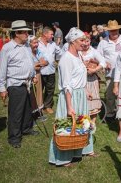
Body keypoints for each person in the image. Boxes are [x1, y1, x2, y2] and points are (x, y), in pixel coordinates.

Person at [49, 27, 96, 167]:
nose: (85, 43)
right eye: (81, 40)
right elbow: (67, 85)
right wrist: (69, 106)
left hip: (80, 94)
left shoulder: (79, 55)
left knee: (82, 124)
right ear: (72, 42)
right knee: (68, 126)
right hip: (71, 97)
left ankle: (81, 150)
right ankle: (64, 157)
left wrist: (85, 90)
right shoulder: (66, 59)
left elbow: (81, 75)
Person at [0, 20, 39, 148]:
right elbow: (1, 70)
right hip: (15, 84)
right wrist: (2, 88)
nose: (27, 34)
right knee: (16, 112)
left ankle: (26, 128)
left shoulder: (26, 46)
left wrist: (33, 76)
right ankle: (14, 137)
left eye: (27, 32)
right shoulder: (7, 48)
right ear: (17, 33)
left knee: (27, 108)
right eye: (25, 32)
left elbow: (30, 61)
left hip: (27, 83)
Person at [97, 20, 121, 118]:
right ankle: (110, 113)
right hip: (111, 73)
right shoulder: (103, 42)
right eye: (112, 31)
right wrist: (105, 62)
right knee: (110, 95)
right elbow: (98, 56)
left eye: (116, 30)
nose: (114, 32)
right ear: (108, 31)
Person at [80, 32, 106, 124]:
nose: (85, 43)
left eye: (87, 41)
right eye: (83, 41)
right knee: (82, 98)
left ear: (90, 41)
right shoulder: (78, 51)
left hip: (91, 78)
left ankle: (93, 121)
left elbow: (103, 62)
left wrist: (94, 70)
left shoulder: (93, 51)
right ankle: (83, 118)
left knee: (93, 97)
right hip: (80, 79)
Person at [38, 27, 62, 114]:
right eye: (51, 34)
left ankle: (47, 106)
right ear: (45, 34)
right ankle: (39, 107)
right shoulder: (37, 43)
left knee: (50, 89)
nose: (52, 36)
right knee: (39, 90)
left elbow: (60, 53)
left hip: (51, 71)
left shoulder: (53, 44)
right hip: (39, 72)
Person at [28, 35, 48, 120]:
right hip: (29, 76)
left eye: (37, 43)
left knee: (39, 93)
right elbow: (29, 66)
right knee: (31, 94)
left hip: (38, 74)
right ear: (29, 44)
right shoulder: (27, 52)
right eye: (34, 43)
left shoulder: (38, 51)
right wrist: (36, 65)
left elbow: (45, 62)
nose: (36, 45)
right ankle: (31, 114)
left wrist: (37, 64)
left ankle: (38, 113)